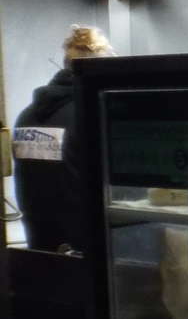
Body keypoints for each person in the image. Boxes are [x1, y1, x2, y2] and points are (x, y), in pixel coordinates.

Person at [13, 25, 115, 253]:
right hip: (87, 252)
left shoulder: (27, 115)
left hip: (40, 248)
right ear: (98, 70)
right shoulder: (88, 113)